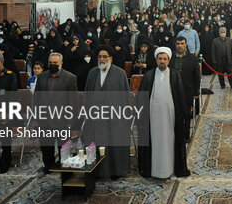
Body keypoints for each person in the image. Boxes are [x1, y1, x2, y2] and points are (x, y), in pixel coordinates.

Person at [138, 47, 190, 179]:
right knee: (154, 142)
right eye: (160, 59)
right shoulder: (149, 76)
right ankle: (154, 171)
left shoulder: (175, 75)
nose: (162, 61)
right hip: (152, 118)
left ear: (168, 60)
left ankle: (170, 170)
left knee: (170, 142)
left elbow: (180, 97)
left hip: (170, 118)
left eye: (165, 59)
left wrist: (183, 116)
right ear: (156, 60)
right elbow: (142, 98)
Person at [83, 45, 131, 179]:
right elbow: (87, 94)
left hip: (115, 117)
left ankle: (116, 171)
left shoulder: (120, 73)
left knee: (113, 145)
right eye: (99, 57)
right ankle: (97, 171)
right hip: (96, 117)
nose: (102, 59)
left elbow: (125, 97)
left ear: (111, 58)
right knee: (97, 143)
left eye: (105, 57)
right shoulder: (93, 72)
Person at [34, 53, 77, 175]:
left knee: (64, 147)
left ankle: (66, 170)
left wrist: (70, 121)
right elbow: (37, 98)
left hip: (62, 120)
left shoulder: (70, 78)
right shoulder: (41, 77)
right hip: (45, 119)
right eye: (51, 63)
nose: (52, 65)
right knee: (46, 147)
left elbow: (73, 101)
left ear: (61, 63)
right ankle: (48, 167)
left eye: (55, 63)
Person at [169, 36, 201, 141]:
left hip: (187, 90)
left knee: (186, 114)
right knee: (173, 114)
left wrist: (196, 92)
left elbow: (196, 77)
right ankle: (174, 135)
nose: (180, 46)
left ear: (186, 44)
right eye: (178, 44)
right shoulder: (170, 57)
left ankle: (186, 135)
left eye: (182, 43)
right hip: (172, 90)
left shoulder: (192, 58)